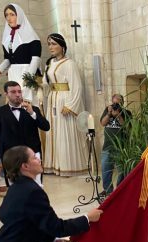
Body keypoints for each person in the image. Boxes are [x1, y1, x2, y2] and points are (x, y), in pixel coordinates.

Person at [42, 33, 87, 177]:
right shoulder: (50, 63)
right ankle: (54, 165)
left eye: (54, 43)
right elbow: (46, 83)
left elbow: (76, 86)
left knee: (64, 133)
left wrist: (70, 105)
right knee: (53, 132)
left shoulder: (70, 63)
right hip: (53, 99)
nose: (51, 47)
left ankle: (69, 166)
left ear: (62, 46)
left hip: (64, 100)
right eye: (49, 44)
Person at [0, 81, 50, 184]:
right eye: (13, 92)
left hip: (33, 153)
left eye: (19, 91)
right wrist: (7, 142)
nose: (17, 94)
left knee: (37, 184)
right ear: (6, 94)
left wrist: (32, 113)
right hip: (11, 155)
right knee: (14, 186)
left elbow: (46, 127)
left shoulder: (33, 109)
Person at [0, 3, 41, 103]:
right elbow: (8, 59)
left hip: (27, 73)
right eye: (6, 15)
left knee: (26, 103)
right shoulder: (7, 37)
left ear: (19, 15)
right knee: (13, 105)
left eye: (12, 14)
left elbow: (36, 59)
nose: (8, 18)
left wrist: (28, 79)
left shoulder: (32, 37)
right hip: (13, 74)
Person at [100, 94, 132, 195]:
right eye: (114, 103)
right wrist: (109, 114)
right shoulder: (107, 110)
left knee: (122, 171)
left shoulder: (127, 112)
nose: (115, 105)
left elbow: (127, 127)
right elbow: (103, 123)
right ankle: (108, 191)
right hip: (107, 146)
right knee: (106, 170)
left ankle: (119, 191)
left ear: (122, 103)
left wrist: (118, 115)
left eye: (117, 103)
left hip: (121, 147)